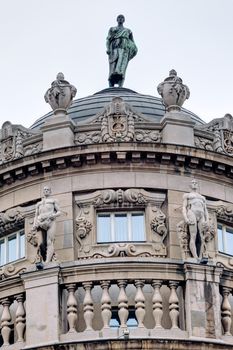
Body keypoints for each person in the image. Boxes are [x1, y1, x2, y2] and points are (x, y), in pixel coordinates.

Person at [106, 15, 137, 87]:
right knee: (112, 67)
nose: (120, 19)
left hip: (124, 51)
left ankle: (121, 85)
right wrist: (108, 48)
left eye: (122, 18)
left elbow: (133, 43)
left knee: (122, 69)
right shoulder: (112, 29)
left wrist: (131, 51)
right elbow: (108, 40)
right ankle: (111, 85)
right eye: (119, 18)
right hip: (114, 50)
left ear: (124, 20)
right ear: (117, 19)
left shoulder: (128, 31)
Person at [33, 186, 61, 263]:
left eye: (47, 190)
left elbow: (59, 212)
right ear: (43, 191)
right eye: (45, 190)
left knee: (49, 242)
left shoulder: (53, 201)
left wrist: (53, 216)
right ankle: (44, 258)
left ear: (50, 191)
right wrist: (34, 224)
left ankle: (47, 261)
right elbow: (36, 215)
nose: (46, 191)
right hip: (40, 222)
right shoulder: (39, 204)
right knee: (41, 243)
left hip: (50, 222)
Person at [182, 179, 209, 259]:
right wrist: (186, 218)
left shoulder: (202, 197)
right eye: (192, 183)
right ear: (190, 185)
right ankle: (195, 256)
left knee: (201, 236)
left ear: (197, 185)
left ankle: (200, 257)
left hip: (201, 215)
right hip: (192, 212)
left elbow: (205, 210)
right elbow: (184, 207)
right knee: (193, 235)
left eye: (196, 183)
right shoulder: (187, 195)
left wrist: (207, 220)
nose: (194, 184)